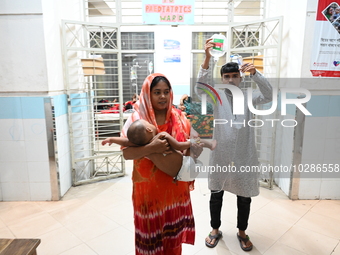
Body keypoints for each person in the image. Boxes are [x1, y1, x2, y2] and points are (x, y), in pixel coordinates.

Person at [195, 38, 273, 252]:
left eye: (234, 76)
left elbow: (269, 94)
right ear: (222, 78)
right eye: (226, 76)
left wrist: (256, 74)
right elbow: (200, 89)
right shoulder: (216, 95)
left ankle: (241, 232)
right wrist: (208, 58)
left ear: (240, 78)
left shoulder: (249, 96)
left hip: (244, 154)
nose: (230, 80)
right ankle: (214, 229)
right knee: (216, 193)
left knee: (244, 196)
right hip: (221, 154)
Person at [121, 73, 203, 254]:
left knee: (173, 243)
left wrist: (195, 147)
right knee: (149, 242)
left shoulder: (179, 117)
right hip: (148, 193)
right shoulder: (136, 119)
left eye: (166, 92)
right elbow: (127, 153)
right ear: (147, 94)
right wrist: (152, 148)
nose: (163, 96)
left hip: (175, 191)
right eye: (157, 92)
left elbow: (194, 144)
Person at [102, 119, 216, 181]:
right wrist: (190, 143)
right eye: (149, 123)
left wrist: (111, 139)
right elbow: (179, 146)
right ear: (148, 129)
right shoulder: (162, 136)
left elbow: (126, 142)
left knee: (190, 147)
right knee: (193, 141)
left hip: (179, 176)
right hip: (188, 167)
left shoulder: (141, 145)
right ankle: (210, 144)